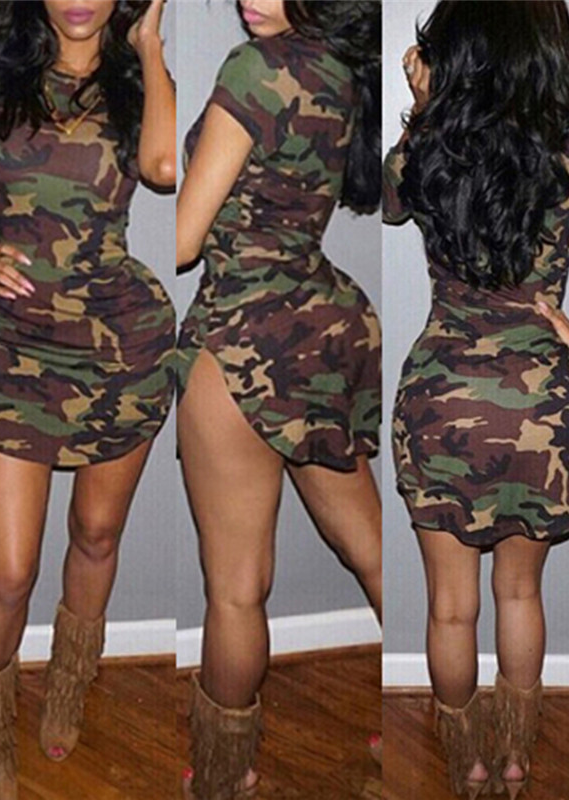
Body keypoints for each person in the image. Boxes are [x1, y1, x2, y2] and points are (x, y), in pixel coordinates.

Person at [176, 2, 383, 797]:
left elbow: (184, 240)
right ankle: (431, 713)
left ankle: (223, 777)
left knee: (236, 588)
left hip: (246, 341)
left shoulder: (256, 68)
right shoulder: (341, 70)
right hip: (324, 332)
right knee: (373, 548)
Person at [0, 1, 176, 797]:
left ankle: (67, 684)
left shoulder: (140, 79)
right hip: (14, 350)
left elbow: (164, 168)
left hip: (120, 345)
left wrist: (149, 44)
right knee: (8, 569)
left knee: (95, 534)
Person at [383, 2, 569, 797]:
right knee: (521, 592)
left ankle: (466, 761)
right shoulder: (568, 150)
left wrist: (423, 108)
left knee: (450, 608)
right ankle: (516, 758)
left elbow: (388, 203)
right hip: (542, 410)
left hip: (441, 398)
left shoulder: (430, 147)